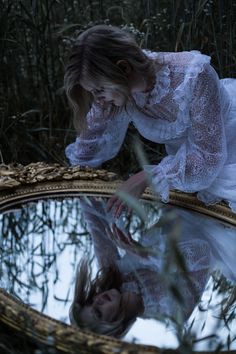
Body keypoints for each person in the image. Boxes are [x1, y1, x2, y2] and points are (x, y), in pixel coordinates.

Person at [64, 25, 236, 216]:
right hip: (188, 172)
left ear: (124, 68)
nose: (98, 99)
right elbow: (90, 146)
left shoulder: (194, 75)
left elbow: (207, 158)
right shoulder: (115, 94)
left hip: (226, 157)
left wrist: (149, 176)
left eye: (98, 90)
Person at [69, 197, 236, 338]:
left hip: (181, 200)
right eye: (98, 312)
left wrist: (80, 181)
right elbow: (203, 253)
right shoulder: (175, 311)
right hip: (218, 227)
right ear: (116, 327)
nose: (97, 300)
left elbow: (95, 220)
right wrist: (145, 255)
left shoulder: (112, 273)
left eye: (90, 301)